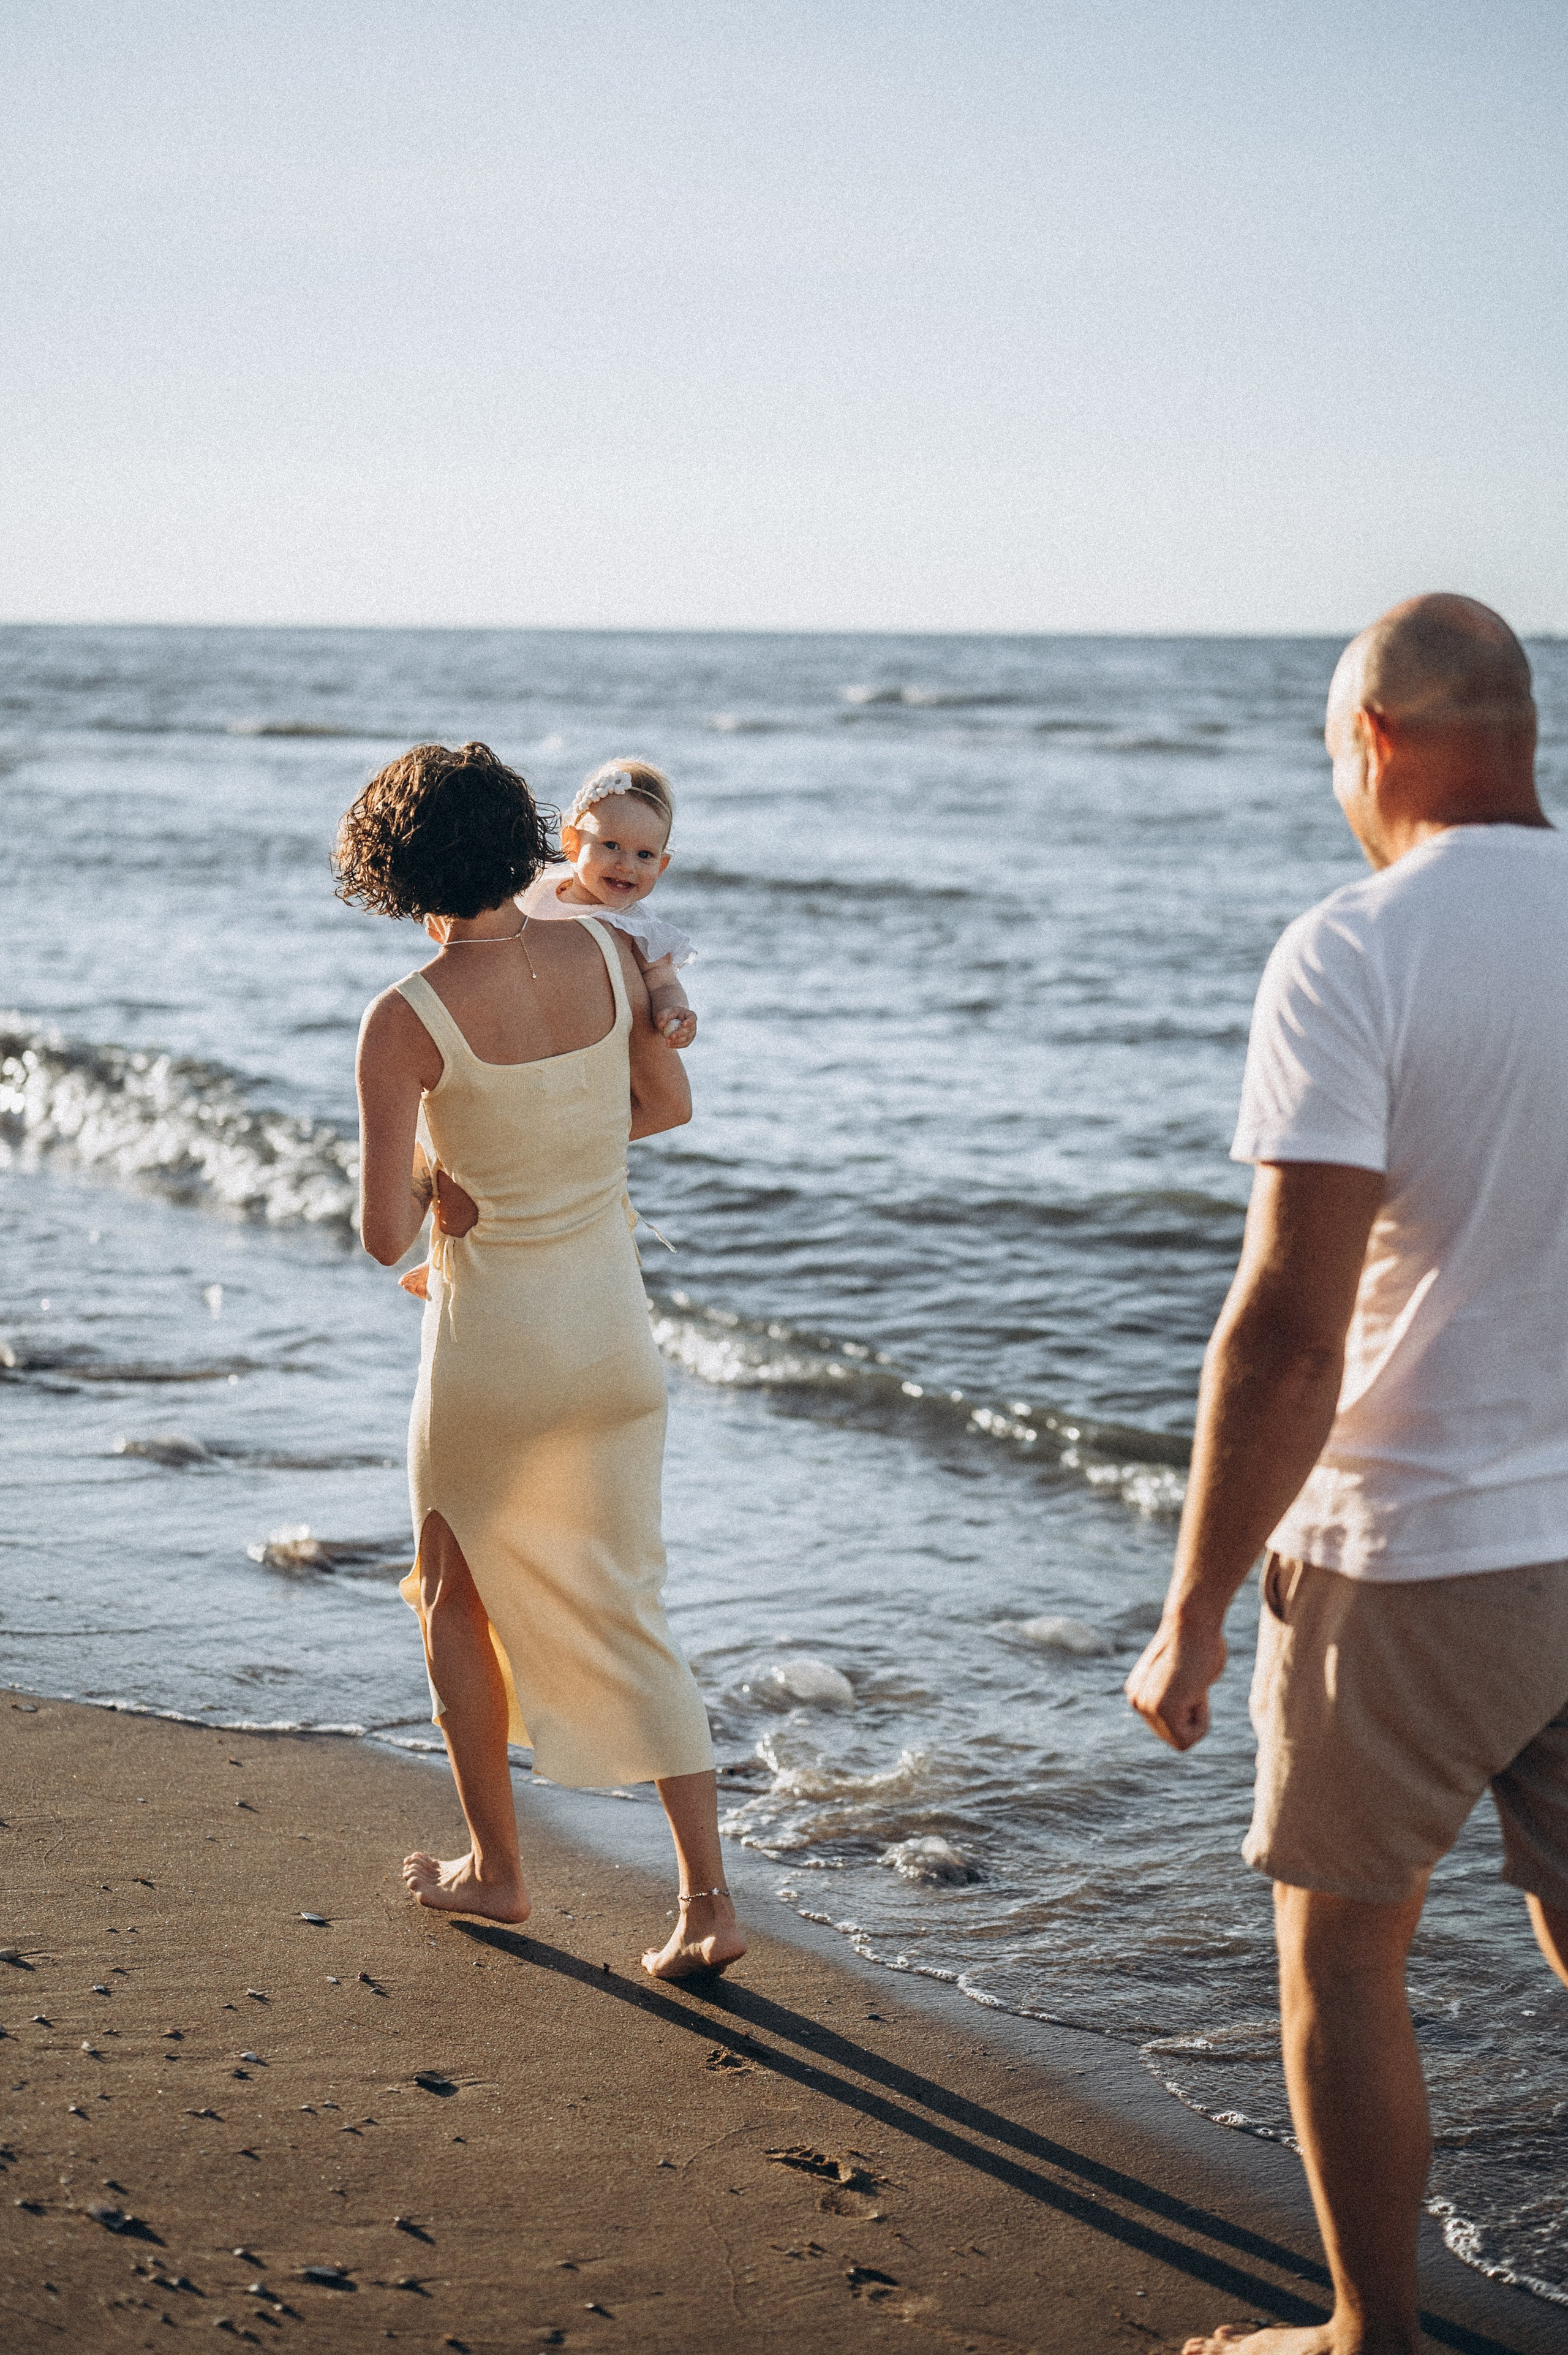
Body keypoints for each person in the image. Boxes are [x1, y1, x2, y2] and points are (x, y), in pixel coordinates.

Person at [1125, 595, 1568, 2355]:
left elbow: (1287, 1326)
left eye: (1333, 754)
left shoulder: (1354, 948)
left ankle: (1364, 2337)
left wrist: (1193, 1605)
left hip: (1410, 1546)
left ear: (1375, 738)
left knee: (1343, 1951)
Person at [335, 739, 745, 1982]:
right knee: (630, 1604)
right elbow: (665, 1106)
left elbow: (384, 1234)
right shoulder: (613, 956)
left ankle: (496, 1867)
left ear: (396, 870)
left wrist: (440, 1175)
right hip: (615, 1346)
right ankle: (707, 1902)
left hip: (494, 1354)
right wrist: (556, 1148)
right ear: (527, 840)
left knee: (450, 1592)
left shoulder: (403, 1017)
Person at [518, 759, 697, 1048]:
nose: (626, 865)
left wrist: (671, 1012)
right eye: (611, 846)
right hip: (525, 1028)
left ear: (661, 866)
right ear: (573, 844)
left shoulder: (636, 928)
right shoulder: (539, 890)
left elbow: (662, 981)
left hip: (590, 1045)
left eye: (644, 855)